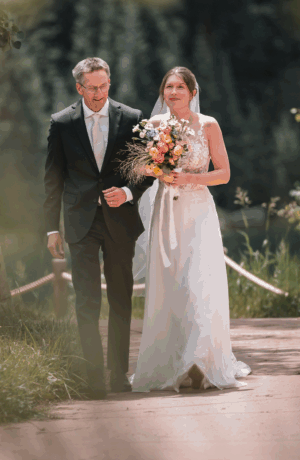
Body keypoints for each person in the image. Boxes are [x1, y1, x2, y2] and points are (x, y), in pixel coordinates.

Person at [130, 67, 251, 392]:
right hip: (167, 210)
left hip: (198, 212)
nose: (172, 92)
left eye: (179, 87)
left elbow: (224, 173)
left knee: (199, 281)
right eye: (168, 87)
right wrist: (159, 169)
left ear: (193, 92)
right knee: (170, 283)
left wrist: (192, 178)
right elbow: (141, 167)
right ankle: (171, 361)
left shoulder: (208, 125)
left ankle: (201, 361)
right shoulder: (154, 125)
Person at [43, 57, 153, 399]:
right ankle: (92, 377)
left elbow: (146, 169)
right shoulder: (61, 123)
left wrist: (128, 191)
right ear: (79, 88)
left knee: (120, 299)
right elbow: (53, 179)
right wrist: (51, 229)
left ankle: (118, 374)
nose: (98, 93)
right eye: (92, 88)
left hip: (121, 221)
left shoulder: (133, 119)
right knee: (86, 301)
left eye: (104, 86)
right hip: (80, 223)